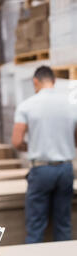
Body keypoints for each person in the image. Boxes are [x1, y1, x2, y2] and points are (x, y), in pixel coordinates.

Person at [12, 66, 77, 243]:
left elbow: (17, 141)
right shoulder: (71, 105)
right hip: (65, 168)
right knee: (63, 224)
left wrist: (32, 146)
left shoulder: (26, 106)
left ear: (36, 82)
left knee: (36, 226)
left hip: (41, 170)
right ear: (54, 81)